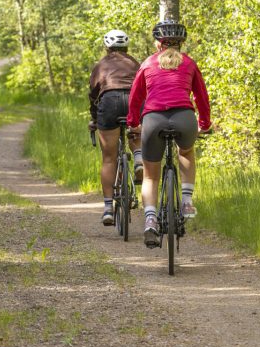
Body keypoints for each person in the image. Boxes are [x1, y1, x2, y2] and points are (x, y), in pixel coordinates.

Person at [127, 19, 212, 248]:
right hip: (184, 118)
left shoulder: (147, 63)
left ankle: (150, 220)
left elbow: (135, 97)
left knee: (150, 176)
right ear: (181, 43)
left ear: (158, 44)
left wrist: (133, 122)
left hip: (153, 120)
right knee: (185, 151)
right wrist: (205, 123)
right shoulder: (190, 63)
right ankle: (186, 201)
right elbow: (202, 98)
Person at [88, 29, 143, 226]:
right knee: (136, 136)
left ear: (107, 47)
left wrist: (95, 119)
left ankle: (108, 208)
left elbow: (94, 95)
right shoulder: (135, 63)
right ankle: (138, 158)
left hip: (109, 102)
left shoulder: (101, 65)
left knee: (109, 158)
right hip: (133, 101)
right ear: (126, 47)